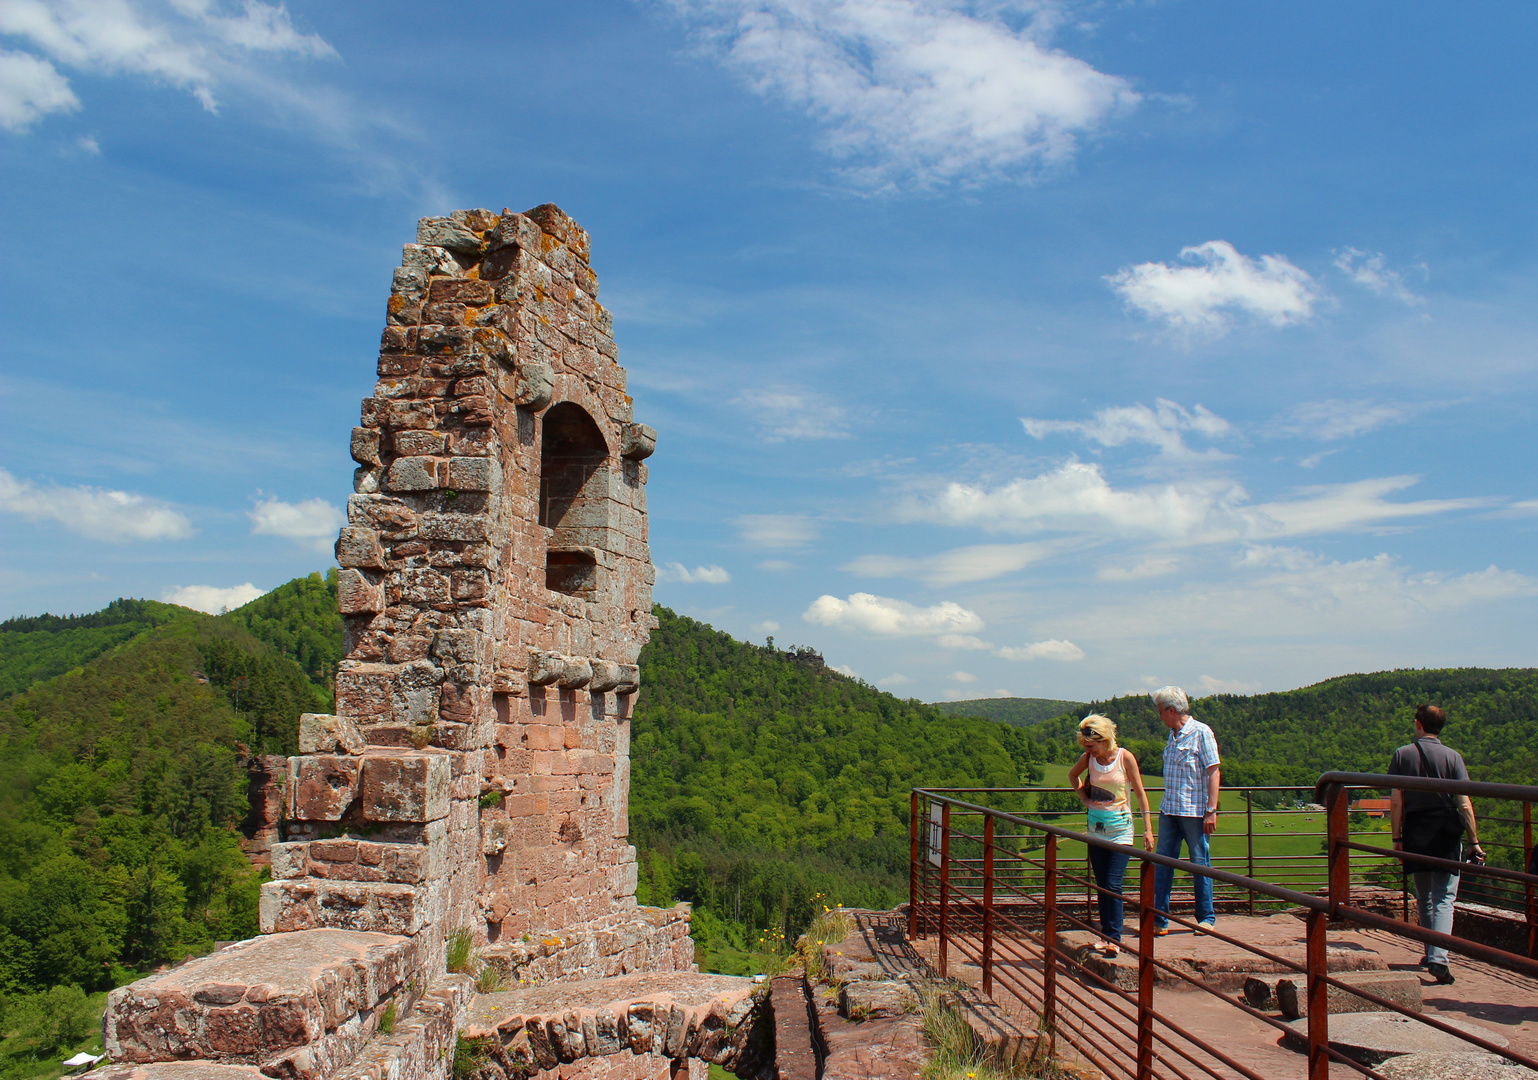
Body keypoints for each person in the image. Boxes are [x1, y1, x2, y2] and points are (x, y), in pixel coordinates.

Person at [1388, 704, 1484, 985]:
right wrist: (1473, 841)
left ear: (1418, 724)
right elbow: (1464, 803)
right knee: (1444, 897)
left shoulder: (1402, 755)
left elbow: (1396, 800)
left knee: (1425, 895)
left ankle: (1432, 952)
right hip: (1444, 831)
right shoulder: (1453, 757)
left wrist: (1397, 839)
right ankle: (1438, 958)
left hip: (1416, 829)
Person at [1068, 714, 1155, 957]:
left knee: (1113, 884)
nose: (1090, 751)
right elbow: (1072, 775)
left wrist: (1148, 828)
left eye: (1092, 747)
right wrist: (1084, 798)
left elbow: (1139, 792)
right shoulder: (1088, 759)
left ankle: (1114, 939)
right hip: (1096, 830)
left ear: (1104, 740)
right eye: (1086, 748)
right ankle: (1106, 935)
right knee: (1102, 884)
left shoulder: (1124, 757)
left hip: (1121, 830)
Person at [1150, 686, 1221, 935]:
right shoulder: (1173, 735)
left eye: (1160, 711)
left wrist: (1211, 811)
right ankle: (1159, 920)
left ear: (1172, 710)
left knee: (1200, 863)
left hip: (1194, 812)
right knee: (1162, 864)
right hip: (1169, 810)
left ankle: (1206, 919)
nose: (1159, 716)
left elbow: (1214, 771)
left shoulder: (1201, 732)